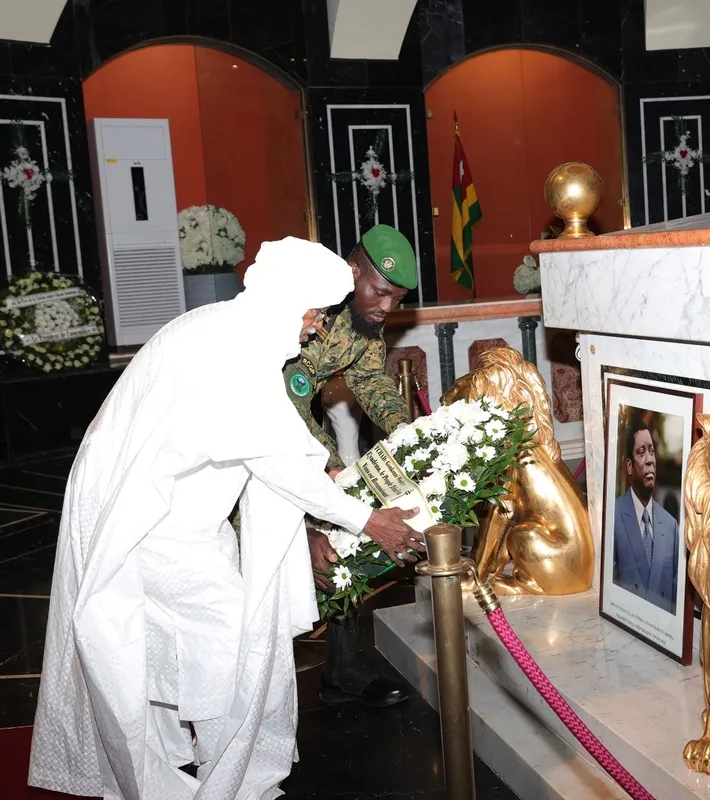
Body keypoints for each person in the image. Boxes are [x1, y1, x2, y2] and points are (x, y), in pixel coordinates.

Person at [28, 238, 425, 800]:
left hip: (182, 511)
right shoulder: (236, 347)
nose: (316, 327)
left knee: (167, 638)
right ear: (289, 302)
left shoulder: (233, 328)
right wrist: (370, 521)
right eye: (314, 313)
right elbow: (284, 464)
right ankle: (228, 780)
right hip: (144, 514)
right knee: (230, 643)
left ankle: (181, 764)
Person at [283, 223, 419, 707]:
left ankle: (341, 671)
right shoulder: (308, 308)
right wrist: (330, 471)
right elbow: (285, 404)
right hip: (255, 442)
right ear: (352, 270)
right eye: (380, 292)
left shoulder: (363, 325)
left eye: (397, 299)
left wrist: (408, 433)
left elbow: (371, 381)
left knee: (341, 534)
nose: (386, 308)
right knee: (272, 554)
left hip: (295, 433)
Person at [612, 419, 679, 613]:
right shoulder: (613, 516)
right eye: (641, 452)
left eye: (652, 450)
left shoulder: (670, 525)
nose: (650, 459)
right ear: (630, 466)